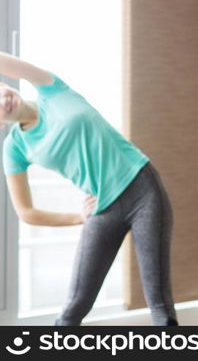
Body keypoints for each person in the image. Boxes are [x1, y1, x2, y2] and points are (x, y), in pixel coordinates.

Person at [1, 52, 177, 326]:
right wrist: (78, 217)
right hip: (103, 208)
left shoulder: (51, 89)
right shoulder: (14, 148)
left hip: (143, 190)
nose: (3, 101)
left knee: (159, 304)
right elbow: (26, 212)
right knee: (75, 306)